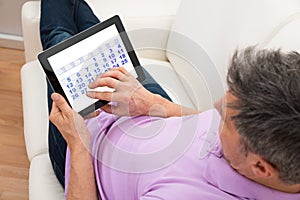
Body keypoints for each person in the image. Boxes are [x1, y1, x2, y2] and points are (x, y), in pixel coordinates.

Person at [40, 0, 300, 199]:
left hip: (87, 150)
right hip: (146, 108)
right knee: (96, 33)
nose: (216, 106)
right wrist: (153, 102)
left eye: (224, 121)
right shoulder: (268, 136)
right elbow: (202, 121)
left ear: (260, 167)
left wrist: (79, 144)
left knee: (59, 36)